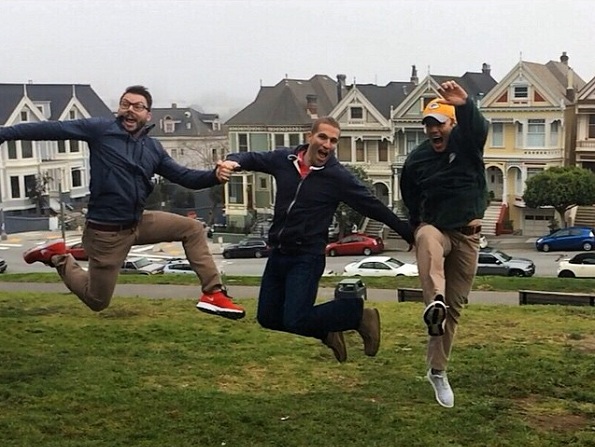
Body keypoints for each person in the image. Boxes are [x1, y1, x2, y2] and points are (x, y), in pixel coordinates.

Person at [0, 85, 244, 319]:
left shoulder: (152, 148)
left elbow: (185, 177)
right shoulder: (100, 130)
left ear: (148, 115)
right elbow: (50, 129)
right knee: (97, 301)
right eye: (125, 104)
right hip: (106, 233)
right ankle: (58, 256)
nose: (130, 110)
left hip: (137, 223)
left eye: (138, 106)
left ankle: (213, 293)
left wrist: (214, 176)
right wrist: (5, 134)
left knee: (192, 228)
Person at [225, 116, 414, 362]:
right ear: (310, 137)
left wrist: (407, 232)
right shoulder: (284, 160)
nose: (327, 144)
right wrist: (232, 161)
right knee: (268, 318)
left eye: (333, 141)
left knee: (295, 318)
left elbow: (372, 206)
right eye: (323, 137)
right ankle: (327, 331)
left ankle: (359, 315)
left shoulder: (337, 177)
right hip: (279, 253)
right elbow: (252, 158)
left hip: (307, 256)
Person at [400, 81, 489, 408]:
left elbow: (479, 129)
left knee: (454, 309)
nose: (434, 130)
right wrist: (415, 226)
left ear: (452, 124)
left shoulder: (466, 143)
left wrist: (464, 104)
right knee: (425, 236)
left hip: (467, 235)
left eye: (440, 124)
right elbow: (410, 197)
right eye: (429, 125)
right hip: (437, 231)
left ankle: (437, 371)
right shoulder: (417, 160)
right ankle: (433, 302)